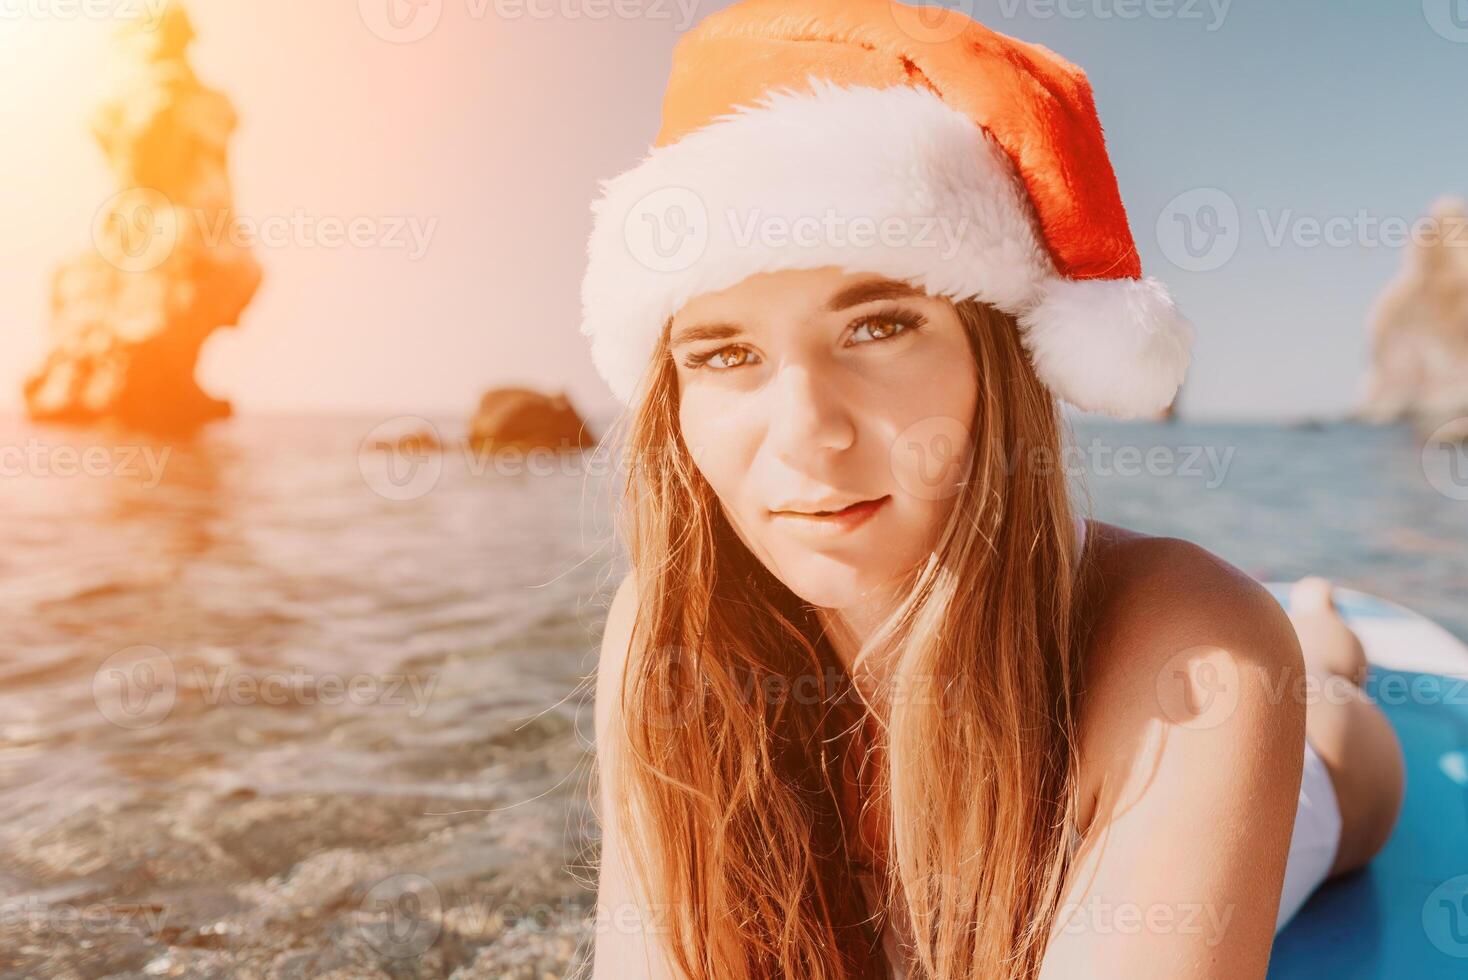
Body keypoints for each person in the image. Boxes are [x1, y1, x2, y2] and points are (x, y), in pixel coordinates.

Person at [579, 2, 1405, 977]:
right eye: (726, 352)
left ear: (998, 360)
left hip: (1309, 780)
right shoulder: (662, 626)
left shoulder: (1197, 655)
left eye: (878, 327)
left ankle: (1320, 635)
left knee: (1329, 707)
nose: (806, 431)